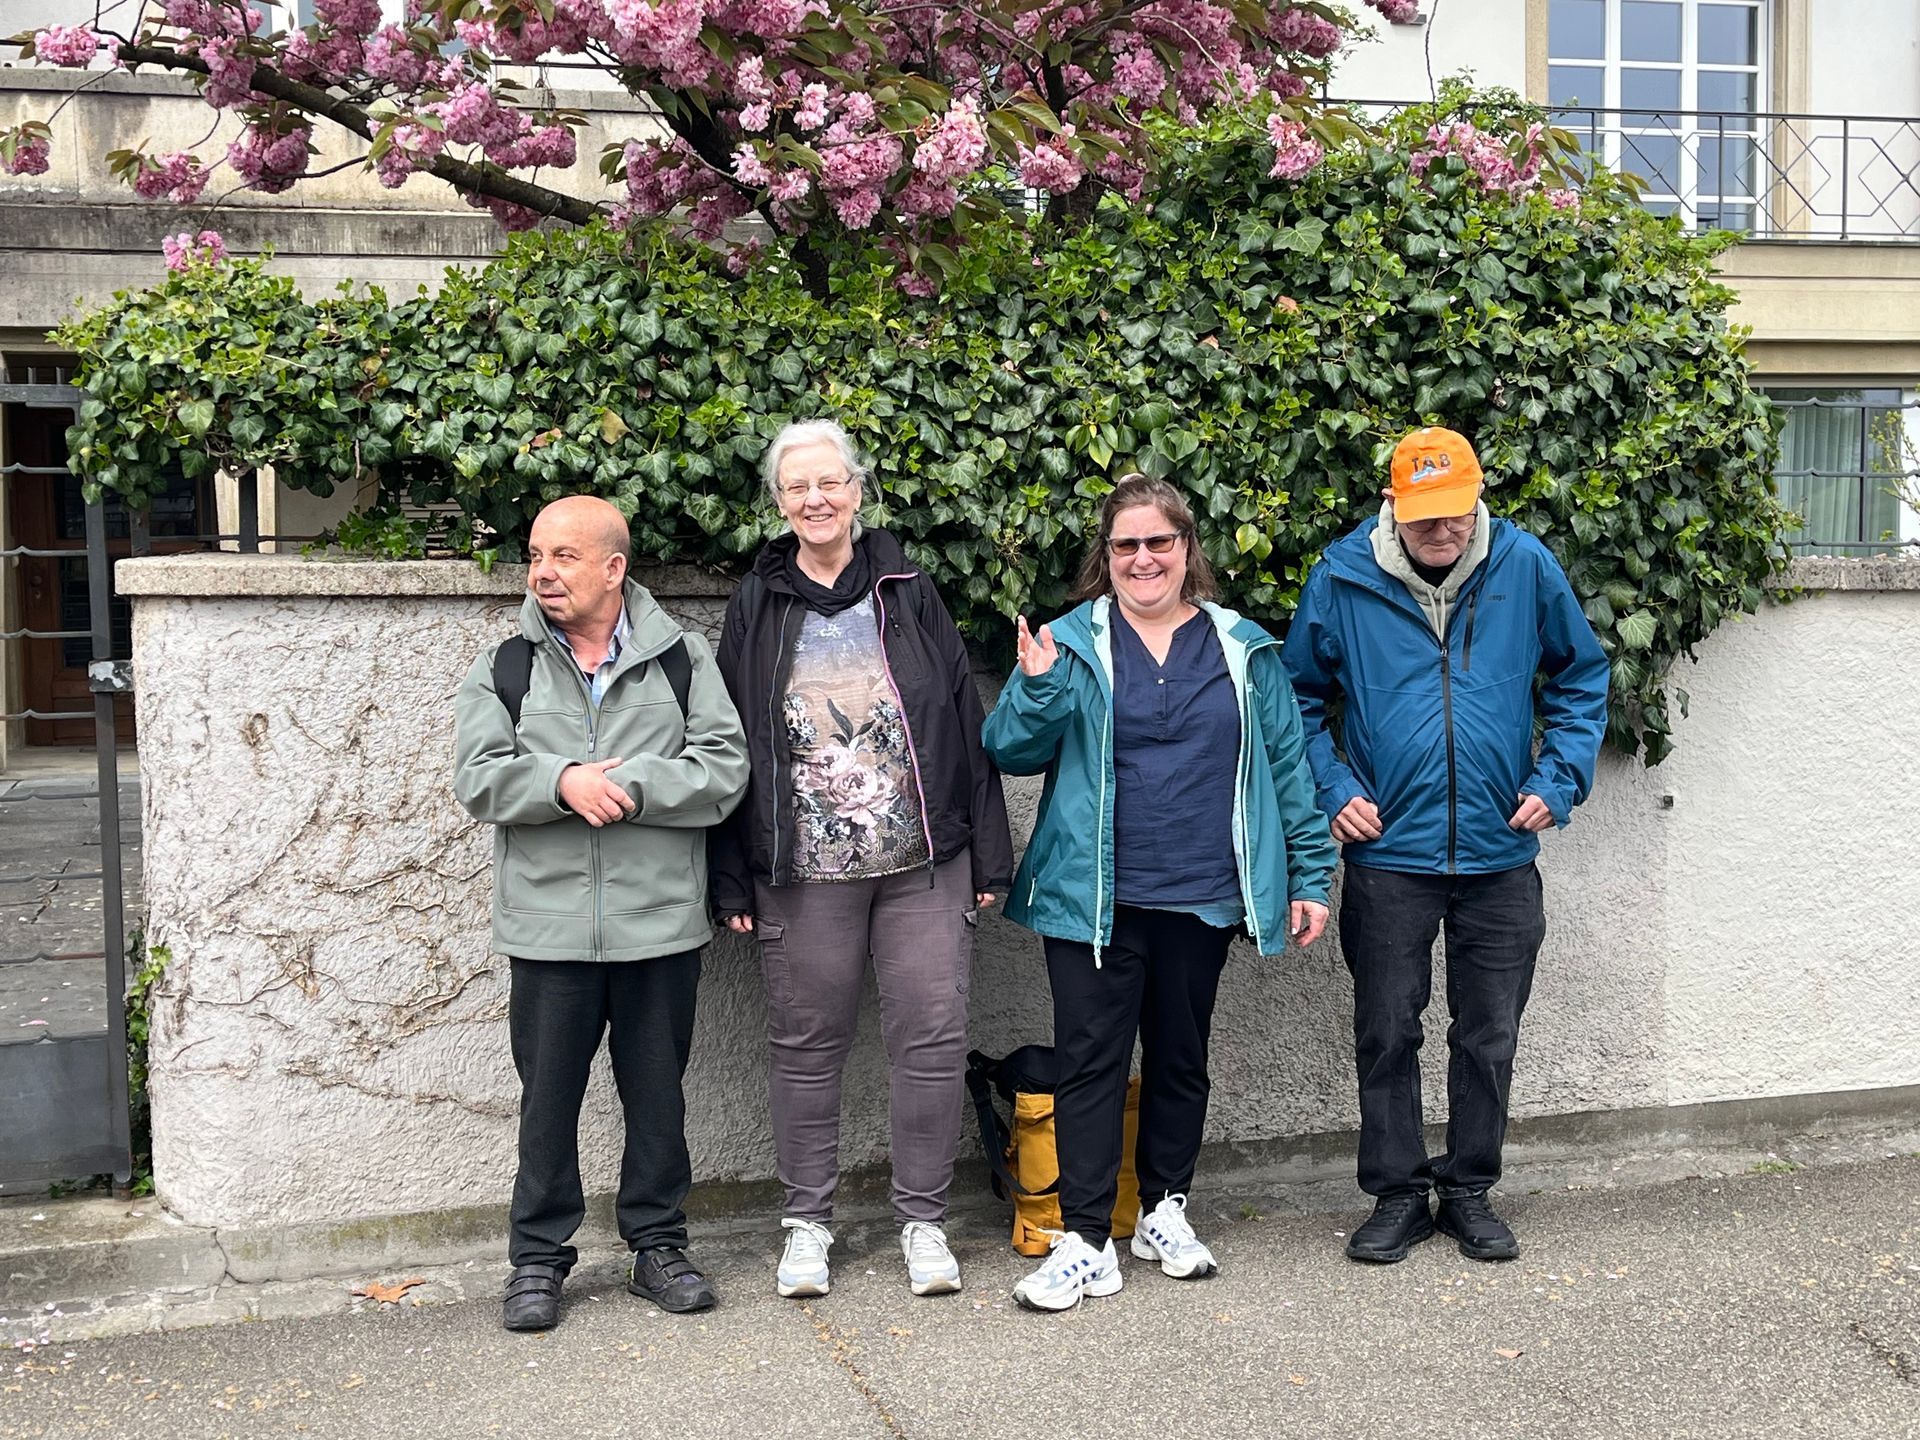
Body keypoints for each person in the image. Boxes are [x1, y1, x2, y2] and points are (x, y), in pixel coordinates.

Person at [981, 474, 1337, 1313]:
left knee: (1181, 1059)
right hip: (1094, 900)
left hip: (1203, 894)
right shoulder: (1068, 643)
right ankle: (1085, 1238)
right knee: (1091, 1065)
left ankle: (1164, 1210)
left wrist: (1311, 874)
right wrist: (1034, 687)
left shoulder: (1243, 647)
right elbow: (1009, 750)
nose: (1144, 559)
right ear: (1105, 558)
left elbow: (1288, 769)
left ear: (1187, 550)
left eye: (1159, 543)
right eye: (1126, 545)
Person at [1282, 426, 1609, 1266]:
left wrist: (1560, 776)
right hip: (1391, 855)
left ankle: (1468, 1190)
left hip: (1501, 856)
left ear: (1477, 498)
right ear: (1393, 504)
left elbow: (1581, 677)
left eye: (1455, 513)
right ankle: (1397, 1194)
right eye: (1424, 515)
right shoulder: (1342, 577)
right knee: (1387, 1029)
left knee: (1489, 1032)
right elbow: (1297, 701)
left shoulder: (1526, 566)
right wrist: (1336, 788)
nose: (1442, 531)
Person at [708, 419, 1013, 1300]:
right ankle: (808, 1227)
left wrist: (988, 858)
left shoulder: (908, 589)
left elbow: (963, 718)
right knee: (806, 1045)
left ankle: (922, 1222)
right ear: (778, 502)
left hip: (921, 861)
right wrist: (731, 870)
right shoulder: (757, 601)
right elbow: (731, 739)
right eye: (796, 487)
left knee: (932, 1038)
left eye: (829, 483)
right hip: (799, 869)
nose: (814, 499)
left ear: (857, 490)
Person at [454, 495, 750, 1331]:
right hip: (547, 931)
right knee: (547, 1099)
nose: (543, 572)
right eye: (537, 555)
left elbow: (724, 771)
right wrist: (560, 782)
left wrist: (631, 785)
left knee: (658, 1095)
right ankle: (538, 1261)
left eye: (565, 557)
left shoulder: (682, 661)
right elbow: (478, 777)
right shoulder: (506, 665)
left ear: (615, 568)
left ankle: (658, 1246)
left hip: (658, 924)